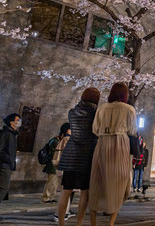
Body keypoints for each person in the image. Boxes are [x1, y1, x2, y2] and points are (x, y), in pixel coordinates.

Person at [88, 82, 137, 226]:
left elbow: (95, 129)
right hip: (120, 143)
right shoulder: (129, 109)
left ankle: (93, 223)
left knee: (97, 180)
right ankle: (111, 223)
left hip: (102, 142)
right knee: (119, 181)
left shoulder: (102, 108)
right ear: (124, 95)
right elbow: (132, 130)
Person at [56, 87, 100, 226]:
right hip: (87, 156)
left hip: (71, 155)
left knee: (66, 191)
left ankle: (61, 223)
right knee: (85, 193)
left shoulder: (72, 113)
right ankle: (79, 223)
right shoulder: (96, 113)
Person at [42, 123, 71, 203]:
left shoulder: (60, 140)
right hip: (52, 164)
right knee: (51, 182)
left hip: (55, 164)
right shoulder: (56, 141)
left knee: (54, 183)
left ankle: (50, 197)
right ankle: (46, 197)